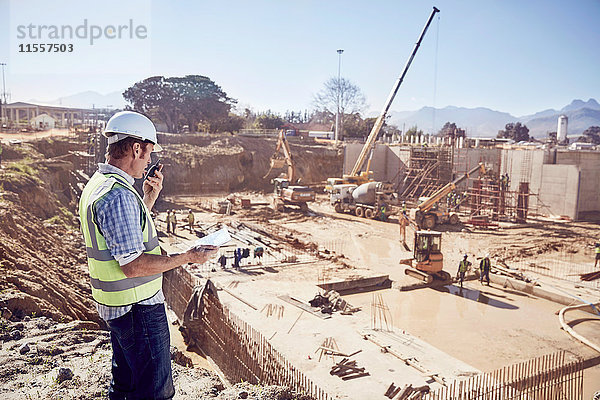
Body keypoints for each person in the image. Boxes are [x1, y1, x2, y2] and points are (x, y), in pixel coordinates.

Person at [78, 111, 218, 399]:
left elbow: (123, 237)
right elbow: (132, 264)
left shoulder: (101, 185)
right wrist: (188, 256)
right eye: (148, 153)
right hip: (137, 309)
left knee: (126, 383)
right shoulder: (118, 196)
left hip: (118, 307)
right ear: (136, 148)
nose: (149, 162)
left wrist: (147, 200)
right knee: (156, 391)